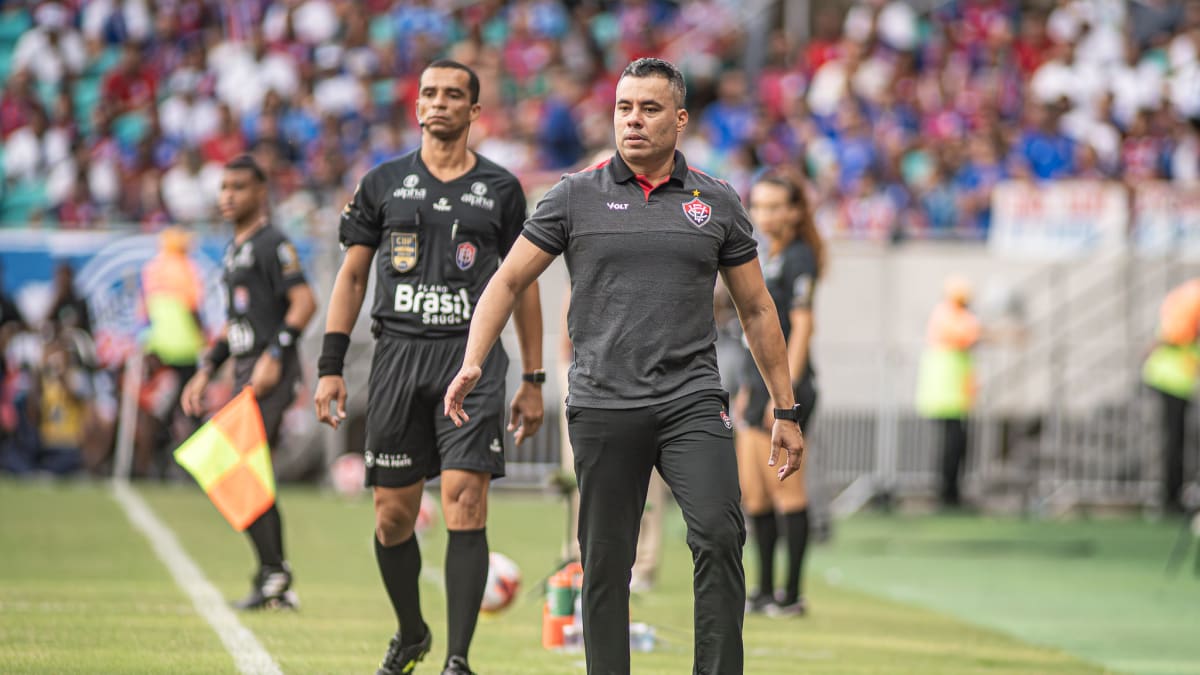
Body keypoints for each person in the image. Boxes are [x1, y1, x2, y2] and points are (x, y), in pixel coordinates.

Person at [444, 57, 805, 675]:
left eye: (650, 108)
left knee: (719, 534)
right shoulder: (574, 195)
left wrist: (785, 408)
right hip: (603, 403)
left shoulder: (716, 200)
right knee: (605, 563)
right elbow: (506, 281)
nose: (633, 120)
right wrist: (474, 359)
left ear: (680, 120)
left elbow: (757, 309)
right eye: (624, 108)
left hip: (691, 401)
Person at [312, 59, 544, 675]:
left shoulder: (501, 189)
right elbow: (352, 277)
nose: (439, 102)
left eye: (453, 95)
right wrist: (330, 365)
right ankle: (412, 632)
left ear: (474, 110)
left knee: (466, 501)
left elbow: (522, 285)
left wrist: (533, 379)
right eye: (429, 94)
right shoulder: (382, 183)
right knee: (392, 515)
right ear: (417, 106)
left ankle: (458, 659)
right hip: (397, 358)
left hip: (471, 360)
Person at [181, 154, 318, 610]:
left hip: (269, 372)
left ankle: (274, 575)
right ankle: (273, 575)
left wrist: (275, 354)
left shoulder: (272, 242)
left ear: (261, 192)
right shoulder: (234, 249)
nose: (228, 196)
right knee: (243, 470)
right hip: (244, 368)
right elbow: (234, 322)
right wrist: (207, 368)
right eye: (224, 187)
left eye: (238, 187)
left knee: (238, 464)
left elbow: (304, 302)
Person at [736, 171, 826, 618]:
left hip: (784, 390)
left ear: (794, 211)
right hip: (756, 387)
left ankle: (791, 594)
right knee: (754, 492)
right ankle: (764, 590)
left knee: (785, 488)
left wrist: (784, 396)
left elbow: (803, 325)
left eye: (774, 206)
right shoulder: (764, 254)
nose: (764, 214)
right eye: (758, 205)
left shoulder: (799, 256)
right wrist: (748, 388)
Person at [556, 291, 667, 593]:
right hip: (589, 376)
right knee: (581, 473)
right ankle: (578, 556)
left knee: (646, 475)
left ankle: (644, 562)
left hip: (643, 374)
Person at [140, 226, 206, 473]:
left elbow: (144, 313)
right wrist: (204, 339)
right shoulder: (186, 269)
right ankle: (196, 463)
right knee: (191, 405)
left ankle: (157, 457)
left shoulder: (151, 269)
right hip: (184, 348)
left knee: (163, 408)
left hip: (158, 349)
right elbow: (194, 309)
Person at [915, 275, 981, 508]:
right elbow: (967, 337)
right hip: (946, 394)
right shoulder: (947, 315)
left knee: (956, 444)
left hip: (953, 395)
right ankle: (947, 492)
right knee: (952, 445)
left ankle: (951, 490)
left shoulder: (950, 314)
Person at [1141, 279, 1200, 514]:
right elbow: (1177, 333)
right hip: (1172, 378)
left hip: (1173, 377)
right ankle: (1170, 497)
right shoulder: (1194, 297)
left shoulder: (1188, 293)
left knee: (1177, 439)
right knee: (1175, 440)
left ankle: (1172, 495)